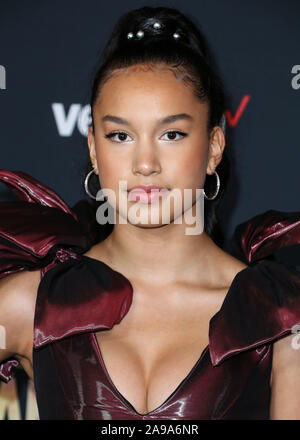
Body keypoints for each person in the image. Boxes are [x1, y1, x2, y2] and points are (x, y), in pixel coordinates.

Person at [0, 6, 300, 420]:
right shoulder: (28, 305)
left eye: (171, 134)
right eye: (120, 135)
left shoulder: (280, 318)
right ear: (93, 148)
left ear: (214, 146)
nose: (145, 163)